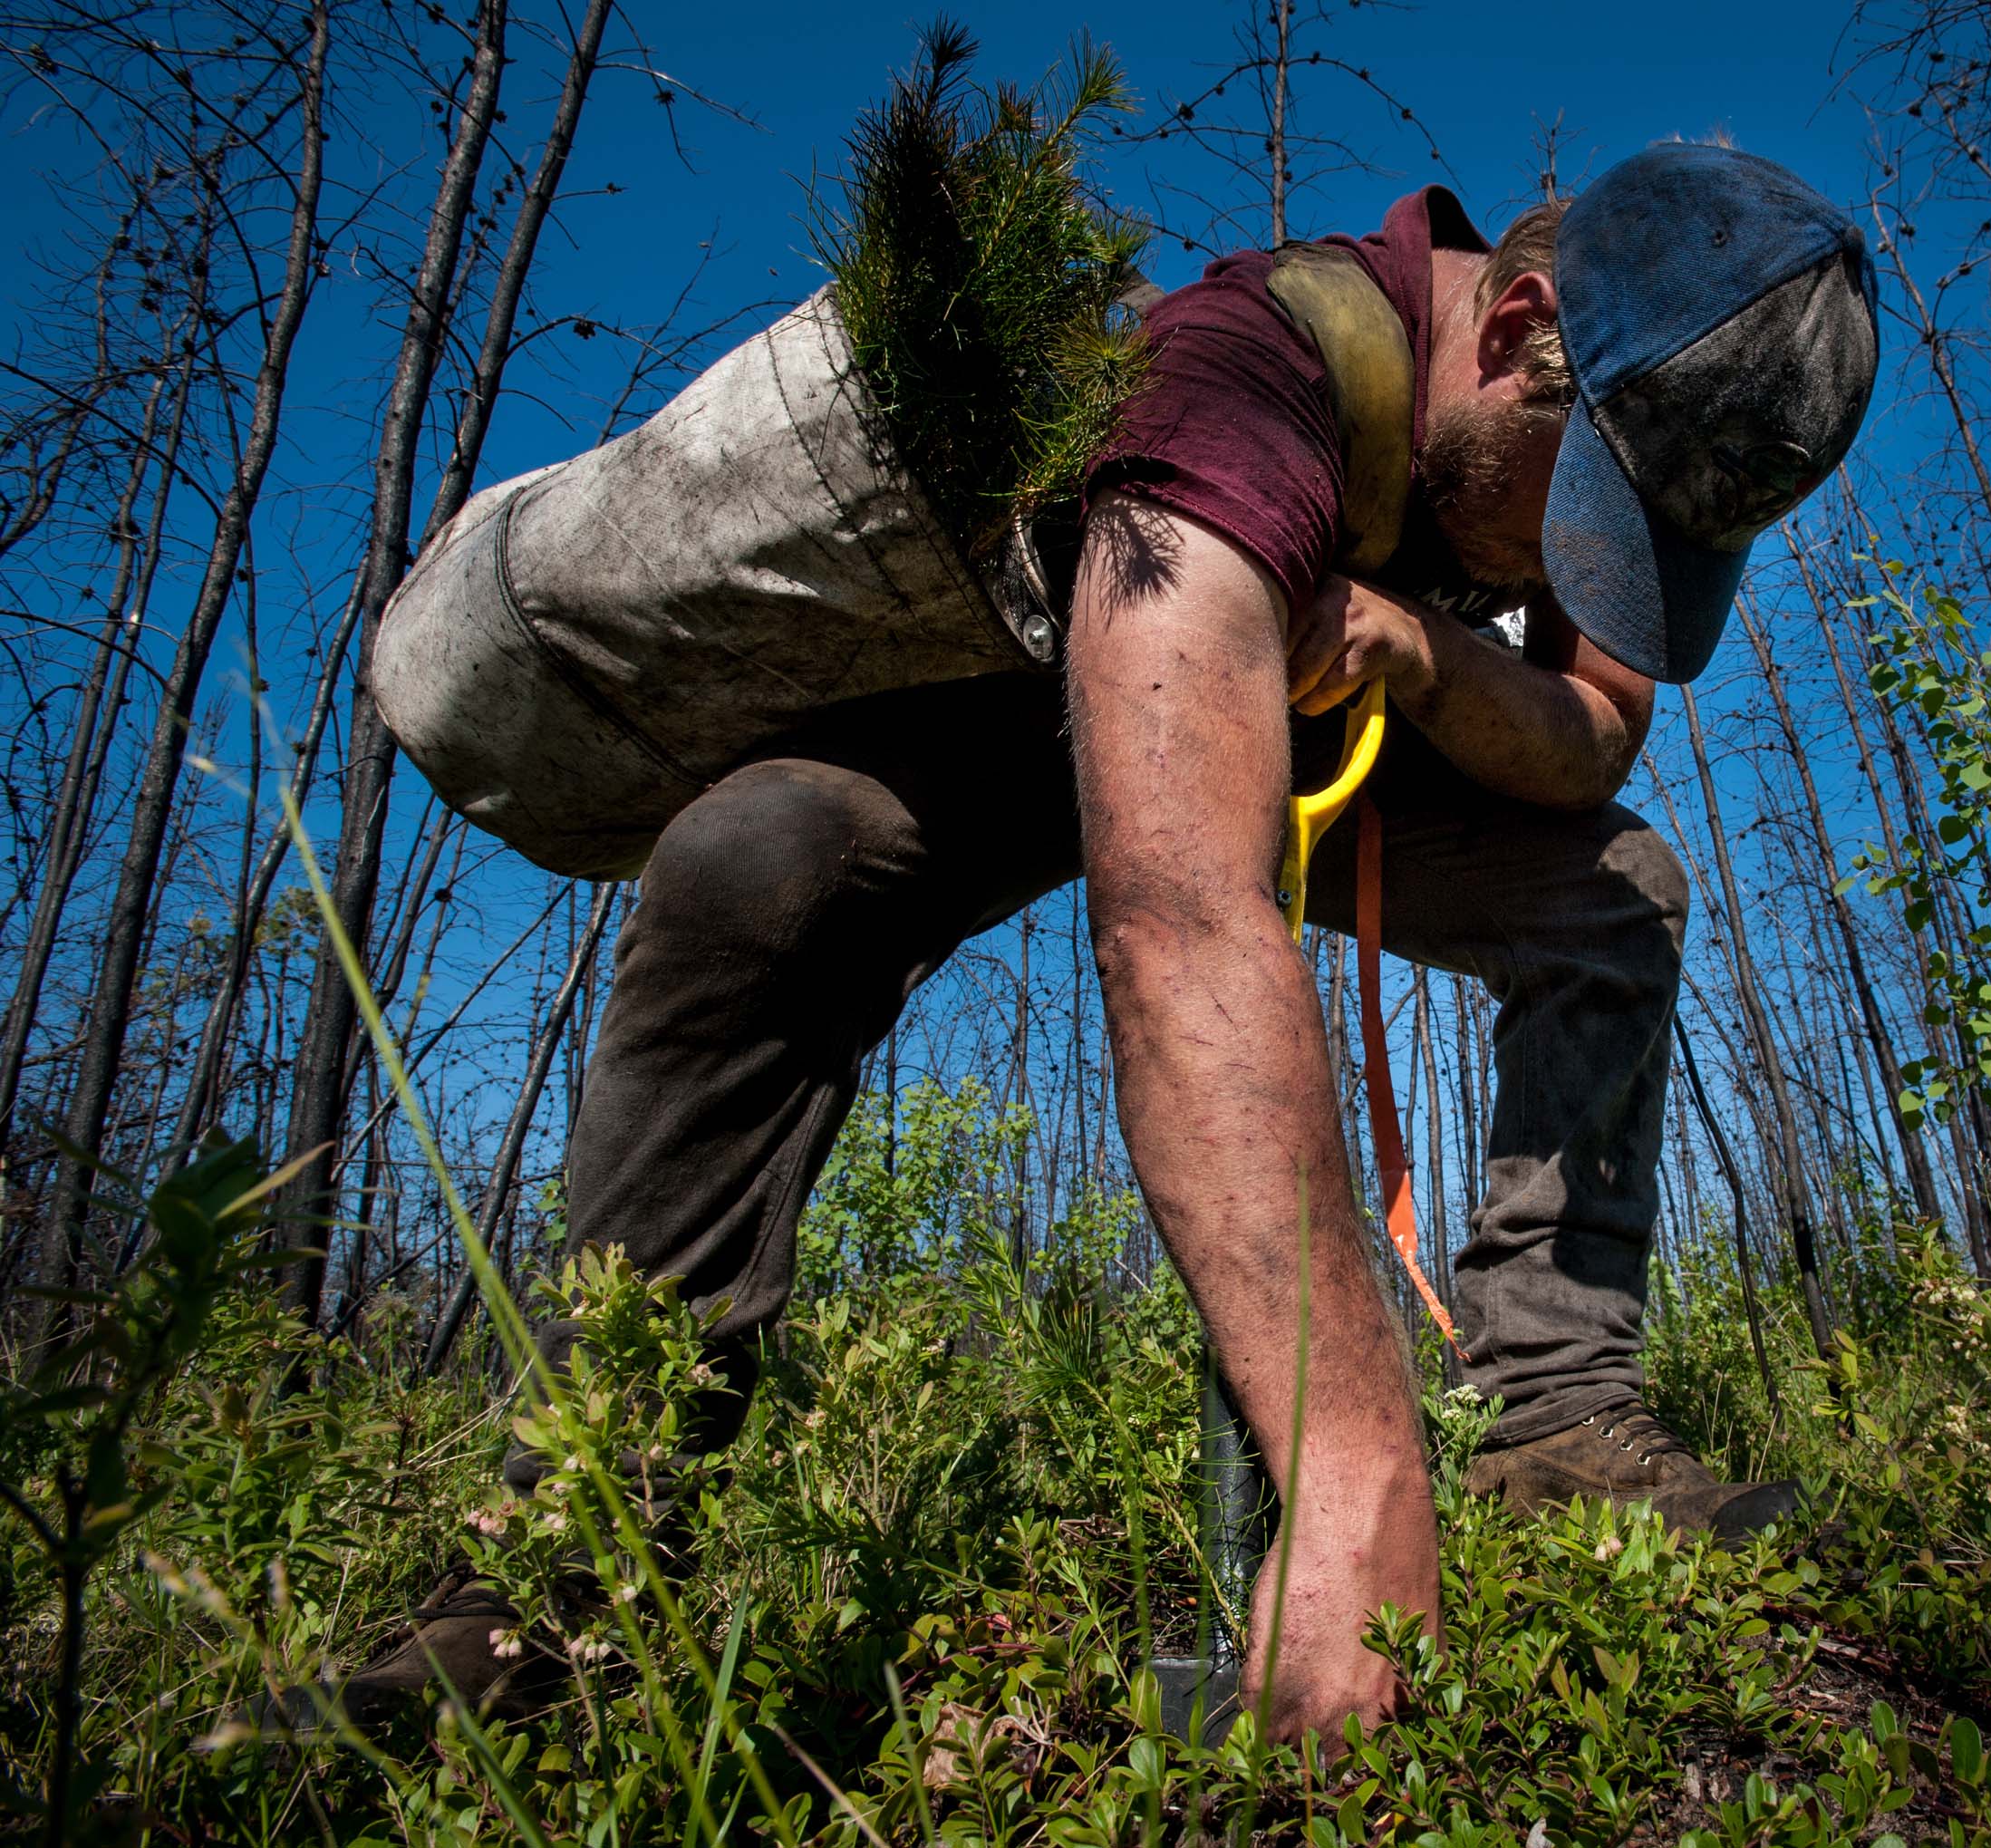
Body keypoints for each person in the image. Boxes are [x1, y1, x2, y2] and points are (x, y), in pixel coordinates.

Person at [333, 140, 1879, 1744]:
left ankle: (1556, 1421)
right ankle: (567, 1566)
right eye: (1583, 521)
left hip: (1318, 696)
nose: (1581, 576)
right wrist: (1350, 1469)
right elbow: (1185, 918)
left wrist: (1416, 644)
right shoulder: (1243, 380)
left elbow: (1588, 739)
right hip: (1068, 692)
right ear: (1510, 334)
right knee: (758, 856)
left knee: (1612, 884)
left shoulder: (1587, 404)